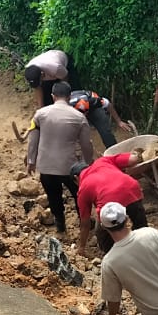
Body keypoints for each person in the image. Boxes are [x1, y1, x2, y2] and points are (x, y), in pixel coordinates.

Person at [26, 81, 94, 233]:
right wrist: (88, 163)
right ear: (70, 97)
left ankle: (60, 224)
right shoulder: (79, 117)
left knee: (53, 196)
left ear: (52, 96)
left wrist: (31, 161)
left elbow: (33, 140)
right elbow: (86, 145)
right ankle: (85, 223)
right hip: (70, 167)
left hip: (46, 166)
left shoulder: (40, 114)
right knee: (79, 196)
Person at [73, 151, 147, 254]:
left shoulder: (83, 188)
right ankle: (145, 244)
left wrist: (82, 247)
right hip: (131, 189)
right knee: (140, 224)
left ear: (76, 178)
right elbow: (133, 159)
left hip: (109, 201)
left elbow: (85, 223)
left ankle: (113, 255)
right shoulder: (103, 160)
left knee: (102, 234)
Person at [69, 88, 136, 148]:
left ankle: (113, 152)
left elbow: (107, 104)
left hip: (93, 108)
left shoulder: (91, 102)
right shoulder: (63, 110)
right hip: (75, 112)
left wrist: (119, 121)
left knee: (105, 132)